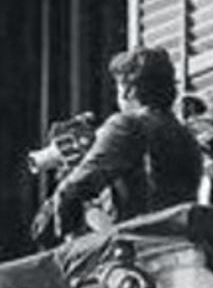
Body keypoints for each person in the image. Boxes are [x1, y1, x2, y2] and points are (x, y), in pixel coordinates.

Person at [48, 46, 202, 238]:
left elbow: (73, 190)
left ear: (128, 90)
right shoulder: (186, 135)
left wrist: (60, 224)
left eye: (118, 86)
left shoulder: (128, 124)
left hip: (141, 243)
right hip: (179, 240)